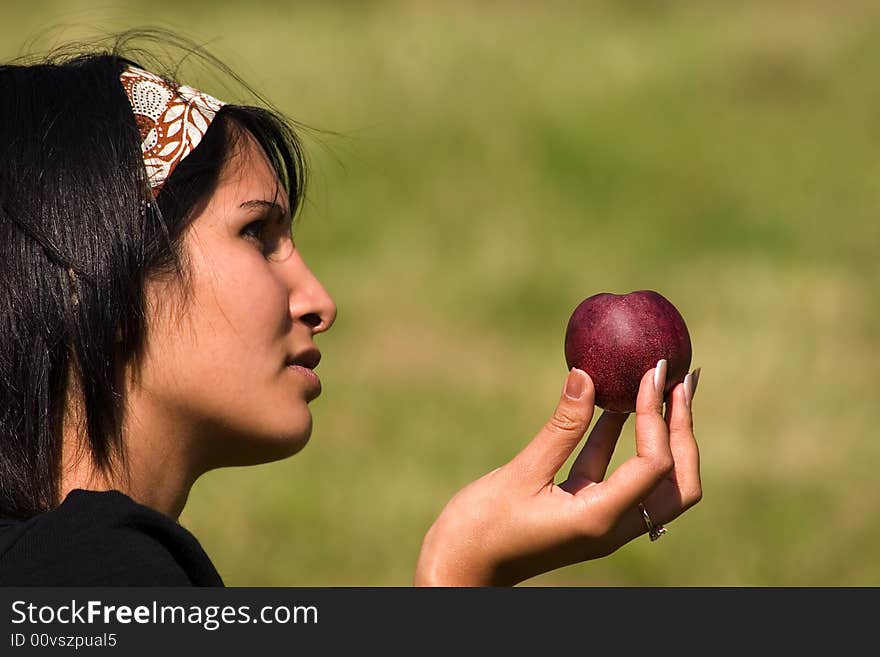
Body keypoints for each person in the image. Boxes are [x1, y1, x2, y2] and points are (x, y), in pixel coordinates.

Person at [0, 31, 702, 587]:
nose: (319, 301)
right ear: (93, 275)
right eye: (256, 234)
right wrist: (458, 574)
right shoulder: (95, 576)